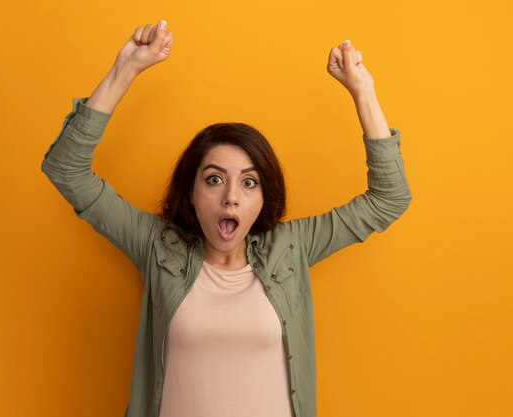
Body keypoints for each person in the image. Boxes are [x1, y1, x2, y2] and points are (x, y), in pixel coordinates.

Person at [41, 19, 412, 417]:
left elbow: (389, 198)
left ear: (264, 197)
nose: (231, 197)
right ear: (191, 193)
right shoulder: (157, 246)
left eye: (249, 183)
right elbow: (66, 169)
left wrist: (364, 93)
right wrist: (125, 69)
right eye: (214, 179)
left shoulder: (291, 247)